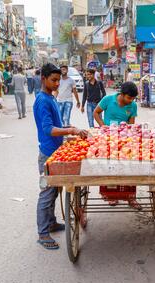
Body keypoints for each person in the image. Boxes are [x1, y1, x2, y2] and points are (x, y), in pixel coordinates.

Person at [33, 63, 88, 250]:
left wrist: (69, 132)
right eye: (53, 80)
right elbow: (48, 129)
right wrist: (71, 129)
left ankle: (52, 222)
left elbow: (57, 124)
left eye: (58, 80)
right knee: (47, 194)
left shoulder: (50, 97)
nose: (57, 83)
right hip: (48, 154)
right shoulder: (43, 100)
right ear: (43, 79)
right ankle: (43, 233)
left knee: (55, 192)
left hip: (56, 151)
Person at [94, 82, 141, 210]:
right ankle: (112, 195)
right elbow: (96, 112)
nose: (131, 101)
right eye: (129, 98)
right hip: (108, 139)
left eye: (132, 99)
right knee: (110, 167)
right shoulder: (107, 99)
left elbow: (131, 125)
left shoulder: (133, 106)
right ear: (122, 94)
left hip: (124, 140)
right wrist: (102, 126)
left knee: (130, 167)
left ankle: (131, 197)